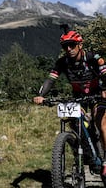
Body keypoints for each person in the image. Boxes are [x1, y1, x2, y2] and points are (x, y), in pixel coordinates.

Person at [33, 27, 106, 180]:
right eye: (65, 46)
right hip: (77, 96)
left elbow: (104, 73)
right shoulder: (62, 62)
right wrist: (40, 95)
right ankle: (86, 152)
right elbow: (50, 80)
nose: (68, 49)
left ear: (80, 45)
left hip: (97, 94)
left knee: (102, 122)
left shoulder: (93, 57)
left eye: (72, 45)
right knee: (75, 124)